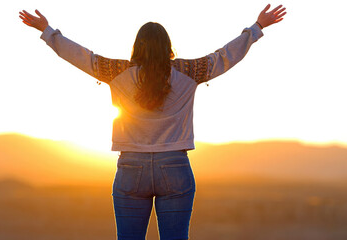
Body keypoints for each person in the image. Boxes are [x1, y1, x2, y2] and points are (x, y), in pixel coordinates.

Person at [19, 4, 286, 240]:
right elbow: (225, 56)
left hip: (131, 167)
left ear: (137, 46)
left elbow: (80, 55)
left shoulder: (117, 72)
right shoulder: (190, 72)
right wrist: (257, 27)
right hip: (175, 167)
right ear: (168, 47)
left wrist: (47, 31)